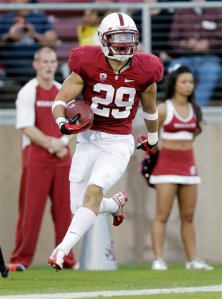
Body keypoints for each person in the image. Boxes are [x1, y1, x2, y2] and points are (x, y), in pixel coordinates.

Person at [48, 12, 164, 271]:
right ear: (102, 38)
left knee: (93, 191)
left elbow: (150, 109)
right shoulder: (86, 61)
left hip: (118, 142)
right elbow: (59, 100)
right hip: (87, 139)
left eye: (128, 38)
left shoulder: (146, 68)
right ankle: (114, 205)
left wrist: (153, 138)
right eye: (117, 38)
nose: (123, 44)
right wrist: (62, 123)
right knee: (78, 206)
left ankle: (61, 250)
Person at [7, 47, 78, 271]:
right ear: (35, 64)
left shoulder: (61, 91)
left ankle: (66, 259)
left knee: (64, 212)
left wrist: (63, 144)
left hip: (62, 158)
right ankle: (20, 259)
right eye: (44, 62)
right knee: (31, 212)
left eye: (52, 62)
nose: (48, 66)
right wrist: (51, 144)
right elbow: (26, 127)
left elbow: (75, 123)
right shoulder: (28, 91)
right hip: (36, 159)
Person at [138, 65, 214, 270]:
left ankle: (192, 260)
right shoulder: (164, 108)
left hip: (189, 165)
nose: (188, 86)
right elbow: (151, 137)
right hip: (166, 166)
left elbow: (193, 134)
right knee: (162, 214)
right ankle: (158, 259)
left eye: (191, 82)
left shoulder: (194, 109)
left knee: (188, 217)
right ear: (174, 83)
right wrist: (154, 156)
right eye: (184, 82)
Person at [168, 0, 222, 107]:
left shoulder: (217, 10)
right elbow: (173, 40)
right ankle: (179, 108)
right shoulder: (182, 12)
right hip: (186, 57)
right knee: (174, 67)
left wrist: (208, 44)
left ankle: (194, 108)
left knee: (213, 71)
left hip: (210, 58)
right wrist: (186, 44)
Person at [0, 0, 58, 85]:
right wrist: (10, 36)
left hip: (38, 61)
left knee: (56, 74)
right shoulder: (5, 19)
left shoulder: (40, 18)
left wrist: (34, 34)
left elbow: (52, 44)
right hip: (14, 62)